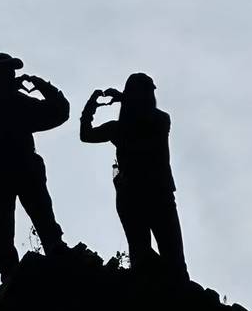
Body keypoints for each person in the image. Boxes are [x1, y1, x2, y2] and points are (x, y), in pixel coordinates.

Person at [80, 73, 188, 280]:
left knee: (171, 260)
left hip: (154, 194)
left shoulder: (156, 121)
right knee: (145, 257)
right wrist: (91, 107)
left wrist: (118, 99)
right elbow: (86, 135)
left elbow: (144, 119)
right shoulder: (127, 126)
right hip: (145, 195)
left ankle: (172, 290)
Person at [0, 53, 69, 280]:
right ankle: (10, 273)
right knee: (4, 226)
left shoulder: (15, 102)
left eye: (11, 71)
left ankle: (56, 254)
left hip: (23, 171)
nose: (12, 75)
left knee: (41, 217)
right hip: (1, 174)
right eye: (6, 71)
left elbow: (60, 112)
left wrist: (41, 85)